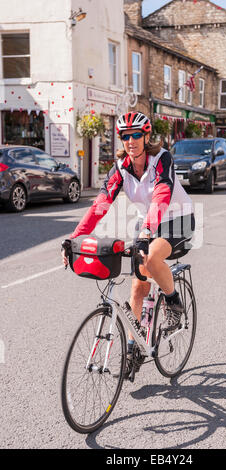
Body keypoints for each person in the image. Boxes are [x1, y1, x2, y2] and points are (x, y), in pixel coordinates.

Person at [61, 111, 195, 378]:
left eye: (136, 135)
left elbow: (162, 194)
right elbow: (100, 204)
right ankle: (134, 347)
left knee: (149, 258)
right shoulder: (120, 168)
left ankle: (174, 302)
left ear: (146, 137)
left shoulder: (161, 158)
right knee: (137, 287)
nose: (131, 140)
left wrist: (147, 230)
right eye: (125, 136)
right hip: (148, 223)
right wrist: (75, 237)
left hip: (177, 219)